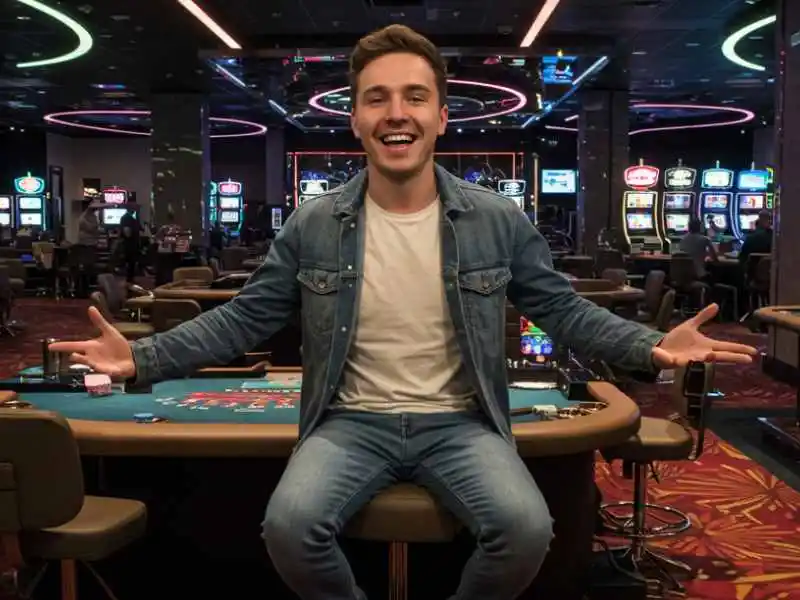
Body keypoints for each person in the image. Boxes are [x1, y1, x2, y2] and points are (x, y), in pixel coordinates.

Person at [51, 25, 757, 600]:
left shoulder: (494, 220)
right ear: (356, 117)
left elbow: (563, 311)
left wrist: (653, 345)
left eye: (415, 97)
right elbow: (242, 319)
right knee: (290, 531)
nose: (397, 112)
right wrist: (140, 357)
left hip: (463, 421)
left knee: (527, 530)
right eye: (378, 98)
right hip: (348, 421)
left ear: (441, 115)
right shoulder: (315, 223)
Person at [119, 206, 141, 283]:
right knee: (130, 262)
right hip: (129, 244)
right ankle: (129, 280)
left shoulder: (131, 217)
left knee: (131, 262)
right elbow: (127, 232)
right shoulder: (127, 218)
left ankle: (130, 279)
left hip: (131, 243)